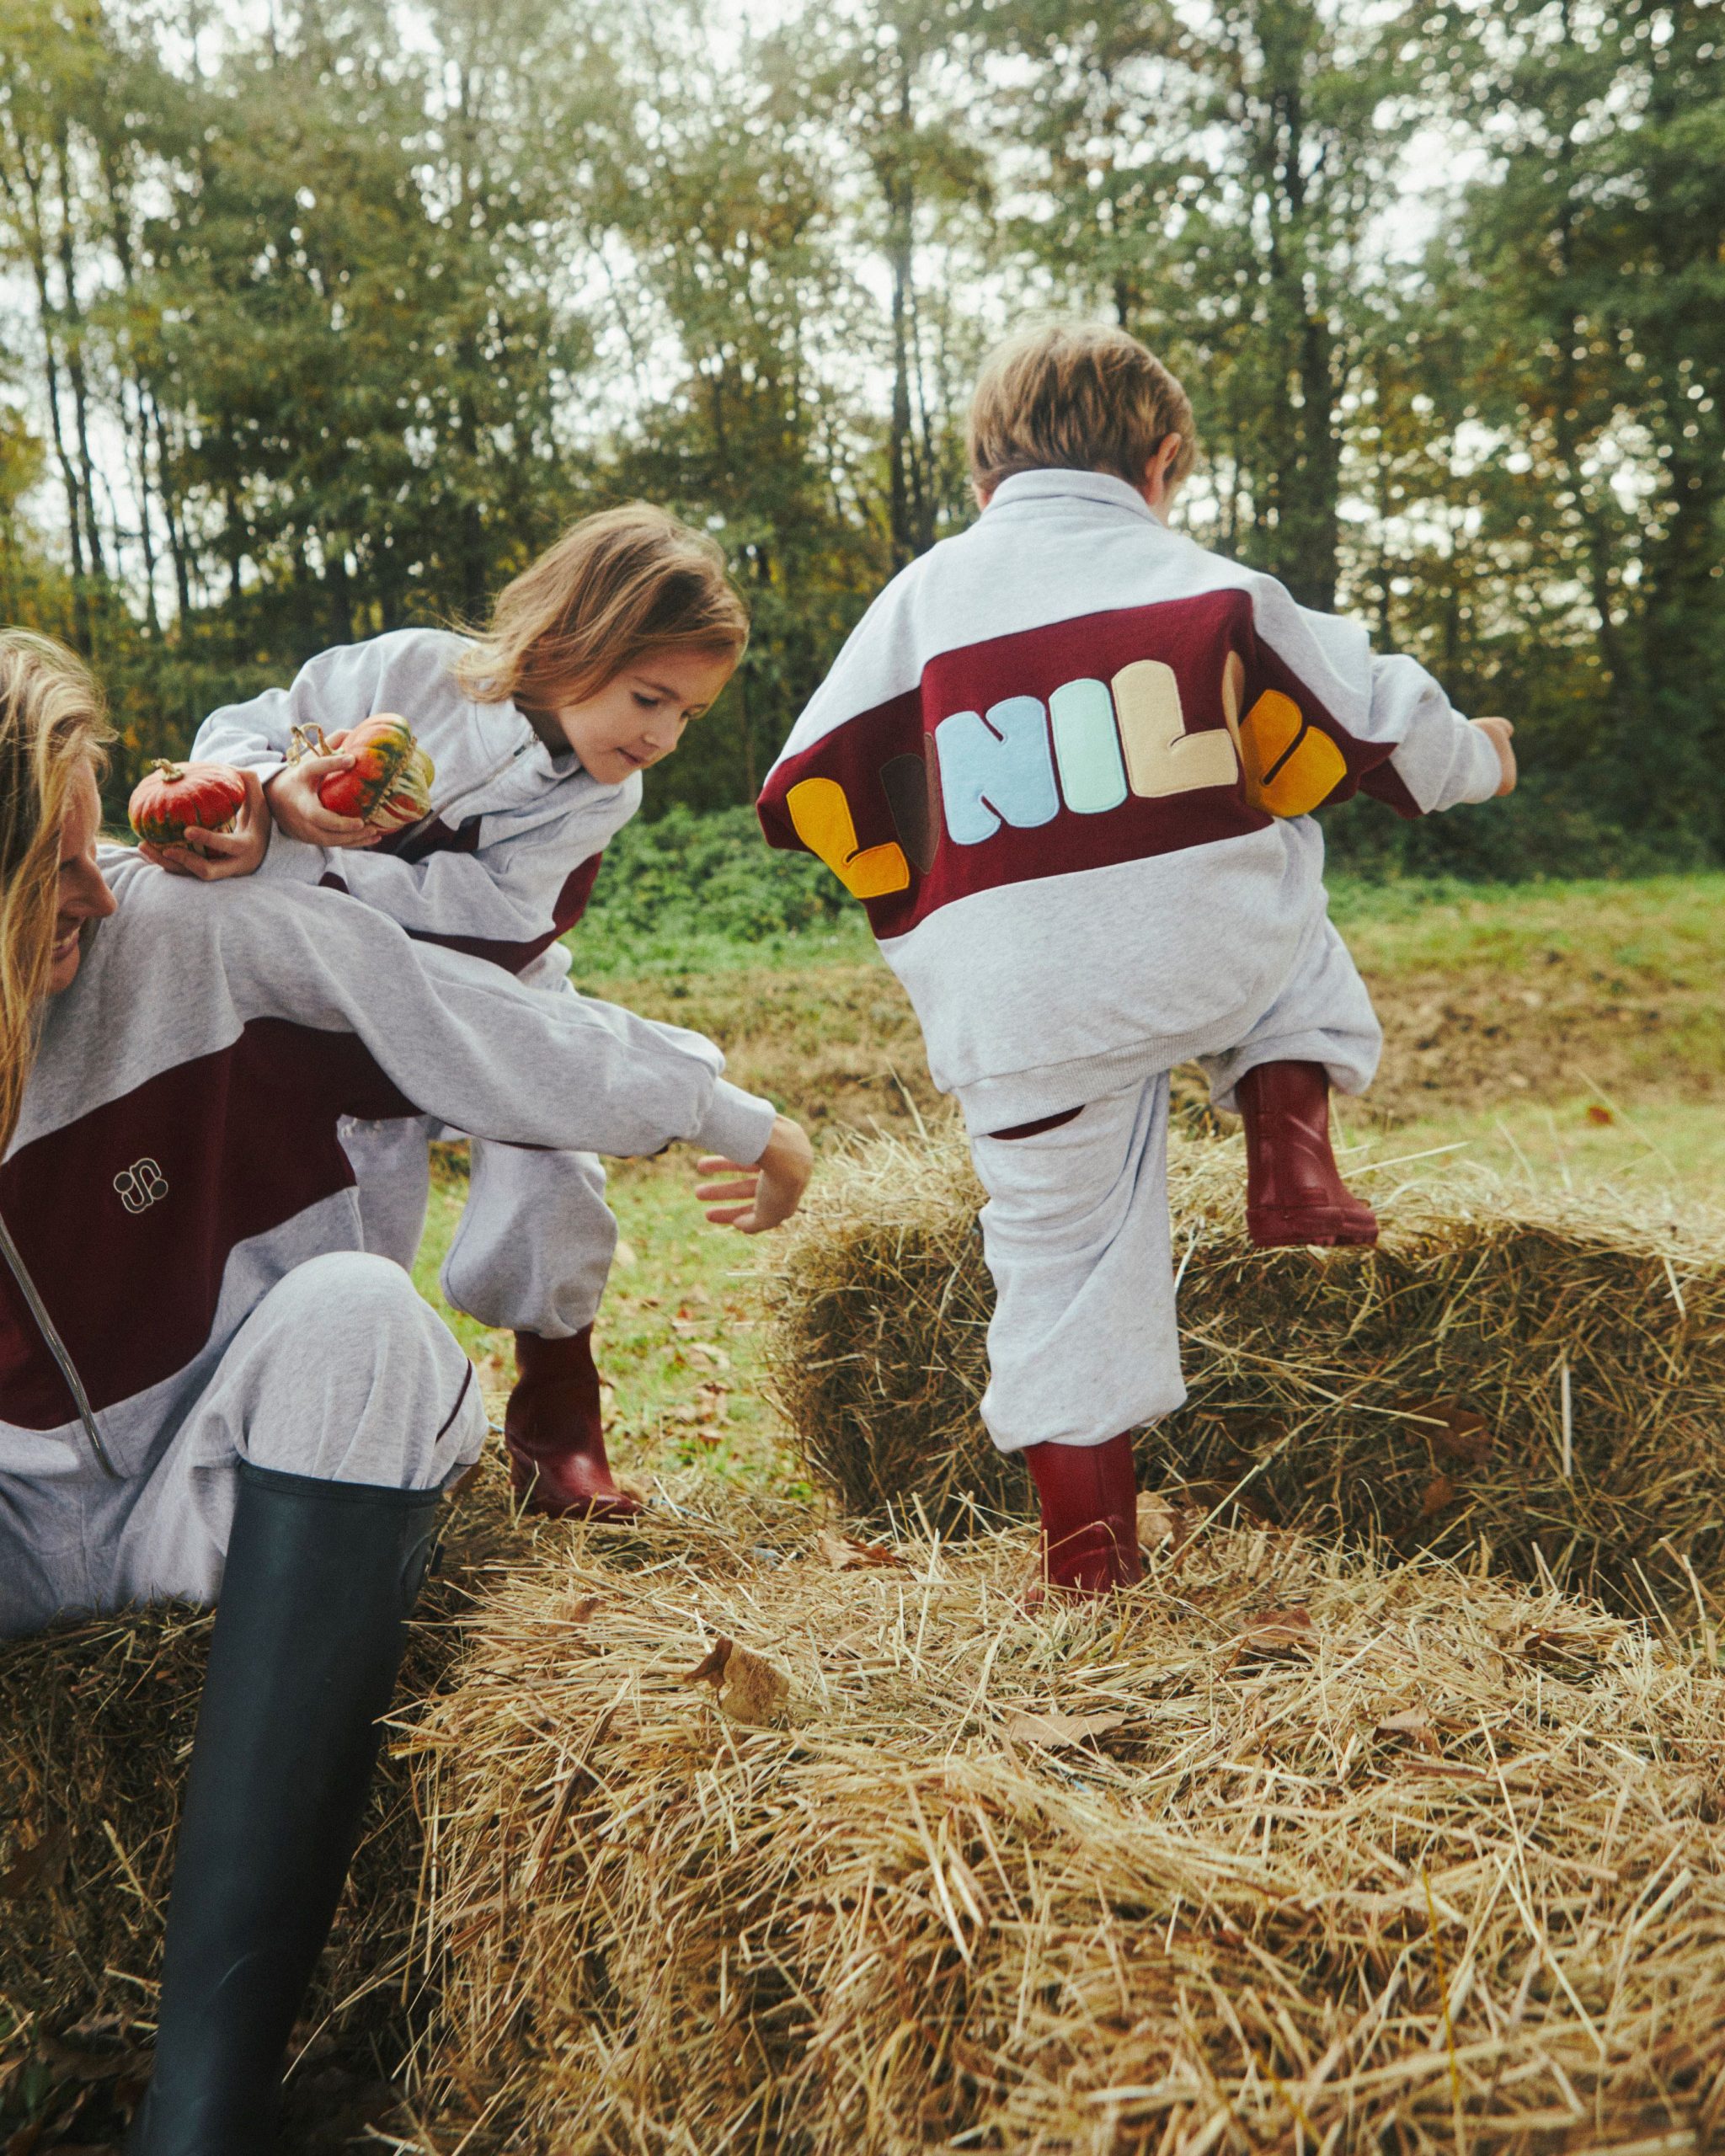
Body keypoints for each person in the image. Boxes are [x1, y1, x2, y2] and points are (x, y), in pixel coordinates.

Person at [0, 630, 811, 2152]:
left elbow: (455, 1019)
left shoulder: (175, 931)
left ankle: (203, 2119)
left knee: (367, 1319)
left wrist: (726, 1111)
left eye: (90, 842)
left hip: (209, 1487)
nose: (98, 887)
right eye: (52, 863)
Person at [757, 322, 1517, 1604]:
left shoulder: (917, 601)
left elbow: (800, 785)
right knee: (1278, 859)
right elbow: (1384, 720)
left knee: (1054, 1260)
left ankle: (1090, 1559)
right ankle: (1291, 1146)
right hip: (1199, 957)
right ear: (1161, 462)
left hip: (1018, 1011)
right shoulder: (1208, 583)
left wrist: (944, 894)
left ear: (981, 476)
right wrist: (1485, 757)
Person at [157, 504, 748, 1521]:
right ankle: (340, 1417)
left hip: (501, 996)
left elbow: (491, 930)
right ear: (571, 641)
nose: (662, 736)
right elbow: (238, 733)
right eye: (649, 697)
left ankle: (558, 1419)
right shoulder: (404, 675)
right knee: (352, 1215)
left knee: (552, 1162)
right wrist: (277, 795)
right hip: (317, 1006)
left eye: (686, 716)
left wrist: (303, 866)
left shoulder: (599, 797)